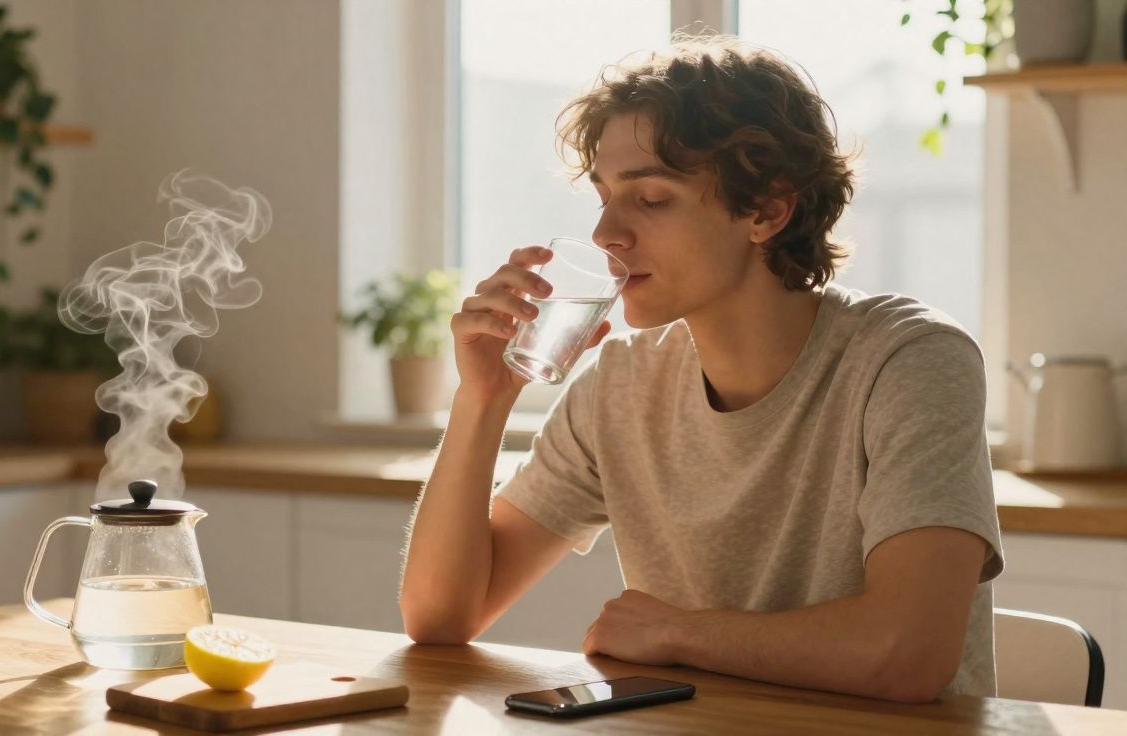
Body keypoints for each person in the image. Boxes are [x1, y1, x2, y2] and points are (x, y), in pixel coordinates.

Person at [398, 35, 1002, 703]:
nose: (604, 234)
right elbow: (441, 616)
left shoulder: (908, 361)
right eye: (602, 195)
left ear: (769, 209)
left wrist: (678, 634)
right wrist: (481, 401)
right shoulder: (620, 384)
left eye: (650, 199)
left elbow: (907, 653)